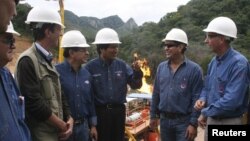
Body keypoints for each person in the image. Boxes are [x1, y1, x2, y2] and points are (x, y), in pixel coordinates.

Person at [15, 7, 73, 141]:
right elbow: (33, 102)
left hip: (54, 134)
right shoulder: (28, 60)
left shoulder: (48, 60)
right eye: (58, 30)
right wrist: (61, 124)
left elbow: (60, 93)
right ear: (48, 32)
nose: (60, 35)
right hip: (40, 135)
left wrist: (69, 117)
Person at [194, 16, 250, 141]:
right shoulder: (214, 62)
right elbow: (207, 87)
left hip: (230, 122)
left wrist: (205, 112)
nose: (206, 40)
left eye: (209, 36)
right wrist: (203, 99)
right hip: (212, 119)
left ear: (222, 39)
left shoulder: (239, 64)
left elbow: (232, 101)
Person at [85, 27, 143, 141]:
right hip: (100, 113)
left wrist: (137, 72)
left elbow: (136, 85)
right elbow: (87, 97)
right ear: (101, 48)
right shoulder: (90, 68)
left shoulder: (122, 65)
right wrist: (92, 123)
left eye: (117, 47)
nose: (116, 50)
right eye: (112, 47)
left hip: (119, 112)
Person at [150, 28, 203, 141]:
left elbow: (196, 98)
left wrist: (193, 124)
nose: (166, 48)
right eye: (165, 45)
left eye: (169, 45)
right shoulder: (161, 68)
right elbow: (156, 93)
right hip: (164, 121)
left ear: (180, 47)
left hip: (183, 122)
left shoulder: (194, 70)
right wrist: (153, 115)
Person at [56, 30, 98, 141]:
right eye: (83, 50)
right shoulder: (56, 73)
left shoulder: (87, 75)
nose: (87, 53)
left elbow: (90, 101)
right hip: (65, 128)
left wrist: (93, 126)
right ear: (71, 53)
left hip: (83, 128)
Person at [0, 21, 31, 141]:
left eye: (13, 41)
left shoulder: (7, 75)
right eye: (8, 40)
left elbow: (19, 120)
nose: (13, 46)